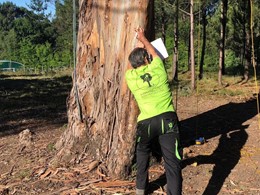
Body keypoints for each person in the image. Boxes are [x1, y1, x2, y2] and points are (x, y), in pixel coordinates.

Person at [125, 27, 183, 195]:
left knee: (142, 153)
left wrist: (136, 45)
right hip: (167, 120)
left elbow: (130, 64)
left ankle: (141, 189)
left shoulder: (131, 77)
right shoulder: (158, 68)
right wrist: (143, 38)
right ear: (146, 59)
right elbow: (153, 52)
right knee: (173, 162)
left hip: (146, 123)